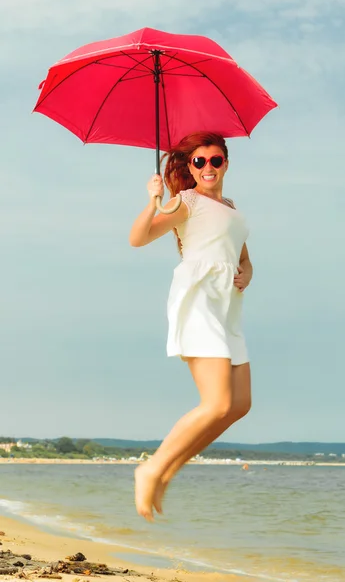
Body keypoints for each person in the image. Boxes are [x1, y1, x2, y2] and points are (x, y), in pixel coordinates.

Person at [129, 131, 253, 521]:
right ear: (191, 167)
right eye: (199, 162)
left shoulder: (231, 207)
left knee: (239, 405)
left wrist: (247, 273)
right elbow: (138, 239)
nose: (208, 168)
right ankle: (151, 468)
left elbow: (243, 256)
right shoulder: (186, 201)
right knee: (216, 403)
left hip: (227, 306)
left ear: (226, 164)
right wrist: (152, 202)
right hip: (199, 300)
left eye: (215, 160)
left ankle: (167, 471)